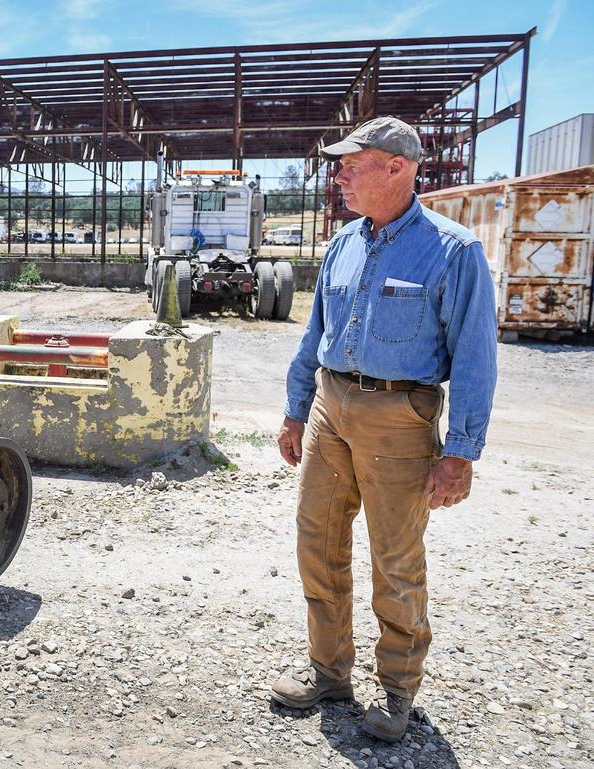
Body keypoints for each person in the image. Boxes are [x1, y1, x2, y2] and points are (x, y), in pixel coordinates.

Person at [270, 116, 497, 742]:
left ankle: (396, 691)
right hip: (329, 408)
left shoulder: (454, 251)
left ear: (398, 167)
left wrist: (460, 453)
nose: (338, 174)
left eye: (352, 162)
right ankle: (328, 672)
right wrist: (296, 409)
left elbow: (476, 356)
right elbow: (314, 335)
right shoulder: (344, 242)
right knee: (316, 542)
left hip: (401, 418)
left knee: (395, 560)